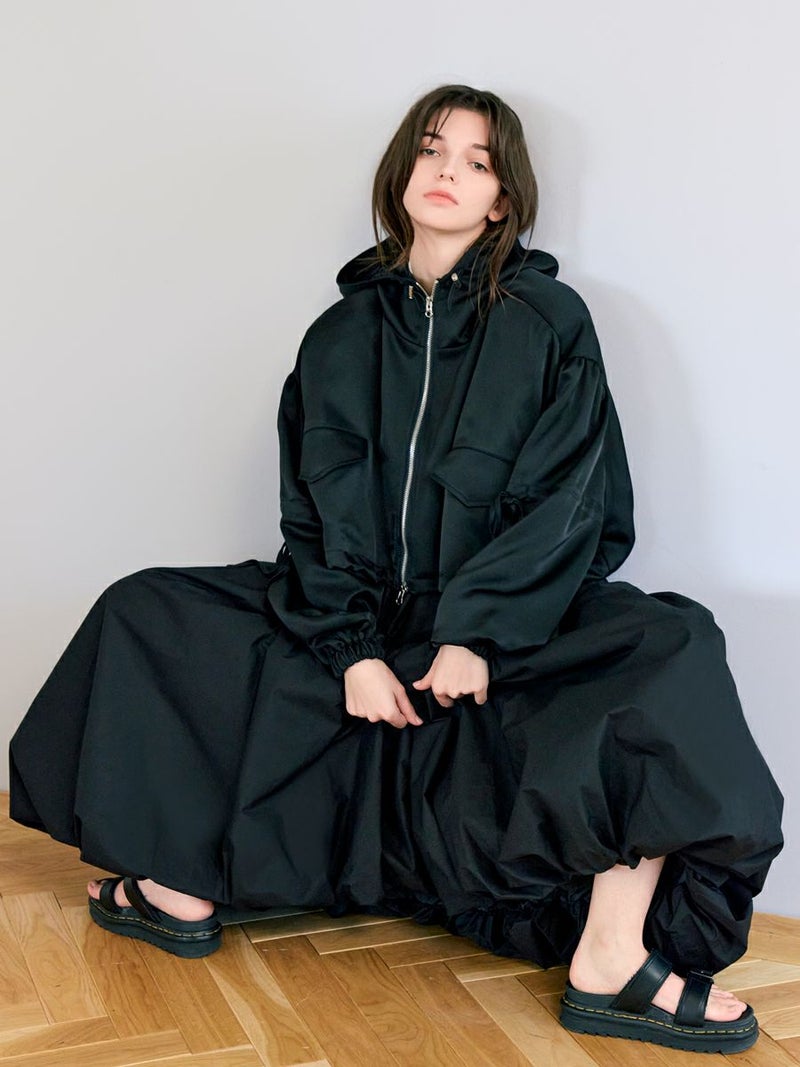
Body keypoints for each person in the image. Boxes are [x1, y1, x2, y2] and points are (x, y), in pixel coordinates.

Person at [9, 85, 783, 1054]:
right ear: (400, 172)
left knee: (672, 643)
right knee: (148, 607)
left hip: (495, 627)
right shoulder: (337, 336)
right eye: (430, 149)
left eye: (476, 160)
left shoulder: (548, 322)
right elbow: (307, 512)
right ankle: (176, 886)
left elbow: (574, 503)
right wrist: (352, 648)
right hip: (361, 617)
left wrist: (476, 632)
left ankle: (611, 956)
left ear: (502, 198)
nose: (447, 170)